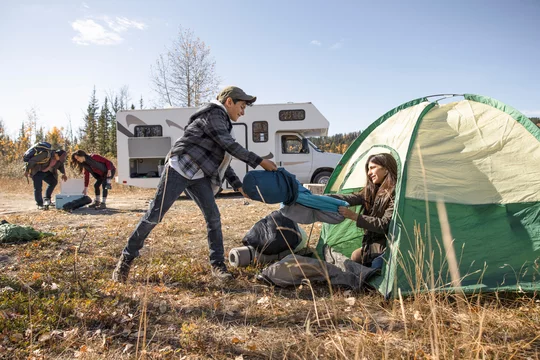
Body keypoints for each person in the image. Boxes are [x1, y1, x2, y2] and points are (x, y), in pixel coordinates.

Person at [112, 86, 278, 283]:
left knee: (213, 217)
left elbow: (223, 158)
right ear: (229, 102)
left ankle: (217, 266)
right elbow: (230, 146)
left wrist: (238, 185)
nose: (243, 112)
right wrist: (260, 161)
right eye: (241, 106)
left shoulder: (222, 122)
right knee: (154, 215)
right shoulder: (213, 113)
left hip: (198, 175)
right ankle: (125, 260)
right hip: (179, 168)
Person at [331, 153, 397, 268]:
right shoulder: (372, 190)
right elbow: (351, 198)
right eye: (368, 169)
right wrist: (323, 198)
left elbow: (384, 225)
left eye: (372, 168)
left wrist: (355, 216)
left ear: (386, 169)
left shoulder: (394, 193)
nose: (369, 173)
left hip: (388, 246)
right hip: (372, 245)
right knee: (356, 256)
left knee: (375, 269)